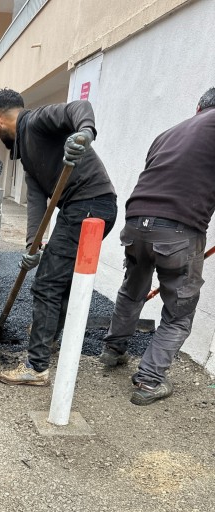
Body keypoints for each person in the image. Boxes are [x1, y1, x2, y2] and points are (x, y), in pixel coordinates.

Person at [0, 89, 118, 386]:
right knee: (59, 281)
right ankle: (47, 343)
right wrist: (31, 245)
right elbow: (36, 203)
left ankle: (36, 366)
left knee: (48, 283)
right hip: (88, 205)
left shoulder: (35, 121)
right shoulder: (27, 158)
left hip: (89, 203)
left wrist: (84, 134)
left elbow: (79, 106)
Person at [100, 88, 215, 406]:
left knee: (132, 289)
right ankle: (150, 381)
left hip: (136, 224)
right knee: (179, 313)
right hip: (179, 231)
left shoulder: (167, 134)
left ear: (197, 108)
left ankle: (112, 351)